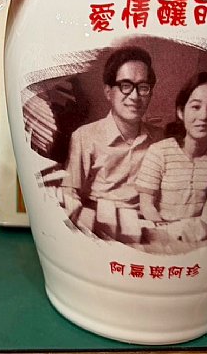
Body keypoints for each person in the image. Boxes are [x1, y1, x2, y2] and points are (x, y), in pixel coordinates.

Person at [61, 46, 163, 236]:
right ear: (108, 91)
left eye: (143, 87)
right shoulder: (84, 136)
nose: (135, 96)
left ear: (150, 93)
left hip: (146, 229)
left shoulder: (160, 140)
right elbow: (69, 194)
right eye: (125, 85)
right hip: (99, 227)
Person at [136, 71, 207, 223]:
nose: (204, 116)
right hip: (160, 228)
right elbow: (147, 206)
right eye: (196, 107)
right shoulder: (158, 152)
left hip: (196, 231)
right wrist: (165, 230)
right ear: (181, 112)